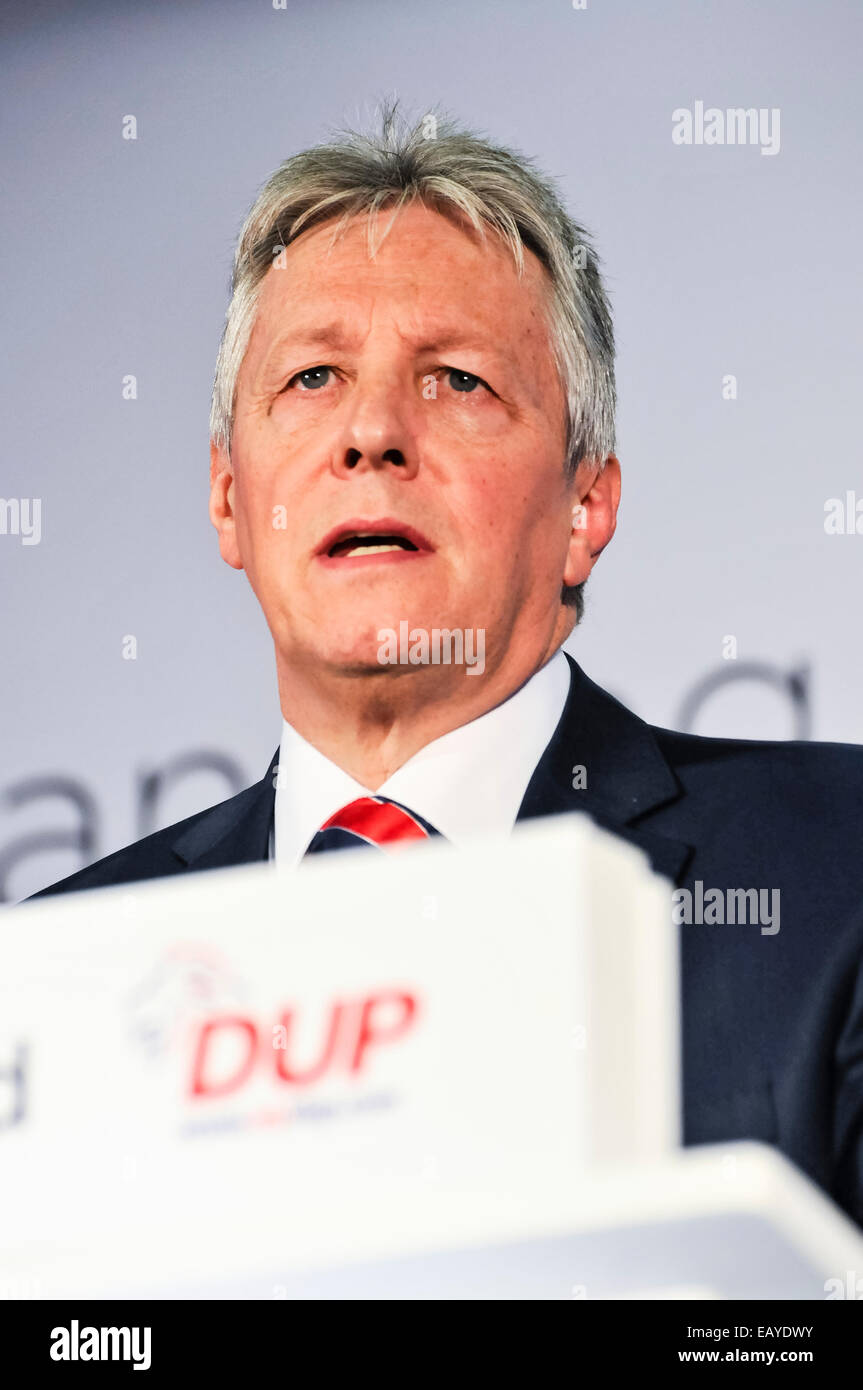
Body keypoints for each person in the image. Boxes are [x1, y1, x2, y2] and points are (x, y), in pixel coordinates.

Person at [31, 105, 863, 1225]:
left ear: (583, 504)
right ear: (229, 498)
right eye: (312, 377)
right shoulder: (50, 976)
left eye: (456, 380)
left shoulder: (832, 866)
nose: (371, 431)